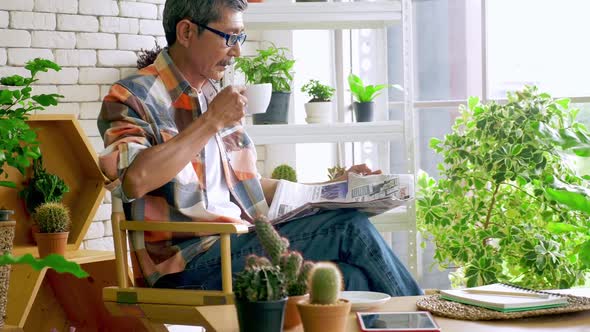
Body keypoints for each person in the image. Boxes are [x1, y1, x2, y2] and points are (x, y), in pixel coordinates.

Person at [97, 0, 422, 296]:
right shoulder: (133, 96)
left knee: (353, 279)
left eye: (241, 38)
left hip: (240, 244)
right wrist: (210, 122)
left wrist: (332, 188)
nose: (237, 51)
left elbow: (246, 187)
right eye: (230, 37)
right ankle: (429, 317)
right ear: (186, 31)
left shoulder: (214, 95)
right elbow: (134, 179)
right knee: (350, 229)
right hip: (186, 266)